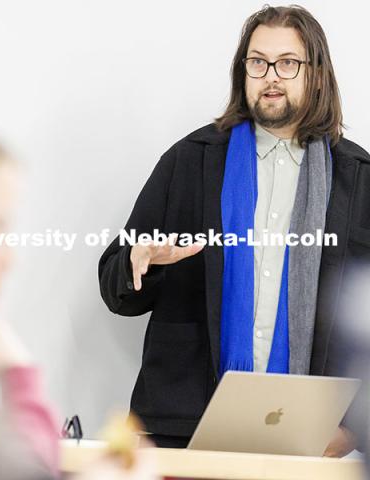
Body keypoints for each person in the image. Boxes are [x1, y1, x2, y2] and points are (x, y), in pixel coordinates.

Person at [98, 5, 370, 454]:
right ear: (242, 70)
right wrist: (138, 263)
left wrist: (353, 431)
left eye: (288, 63)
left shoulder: (358, 178)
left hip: (311, 438)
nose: (271, 77)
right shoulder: (191, 161)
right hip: (187, 428)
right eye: (258, 62)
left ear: (317, 74)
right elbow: (115, 287)